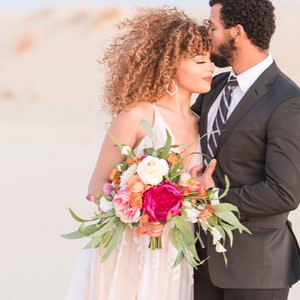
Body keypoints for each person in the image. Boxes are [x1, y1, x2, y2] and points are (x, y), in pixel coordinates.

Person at [66, 6, 216, 300]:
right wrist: (142, 212)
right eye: (200, 61)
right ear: (169, 64)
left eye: (210, 60)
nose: (210, 68)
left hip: (174, 254)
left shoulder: (202, 123)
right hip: (128, 252)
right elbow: (97, 190)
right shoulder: (137, 115)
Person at [191, 0, 300, 299]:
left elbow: (284, 192)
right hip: (200, 262)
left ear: (236, 32)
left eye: (212, 28)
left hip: (257, 270)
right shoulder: (212, 88)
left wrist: (211, 198)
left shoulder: (287, 101)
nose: (207, 36)